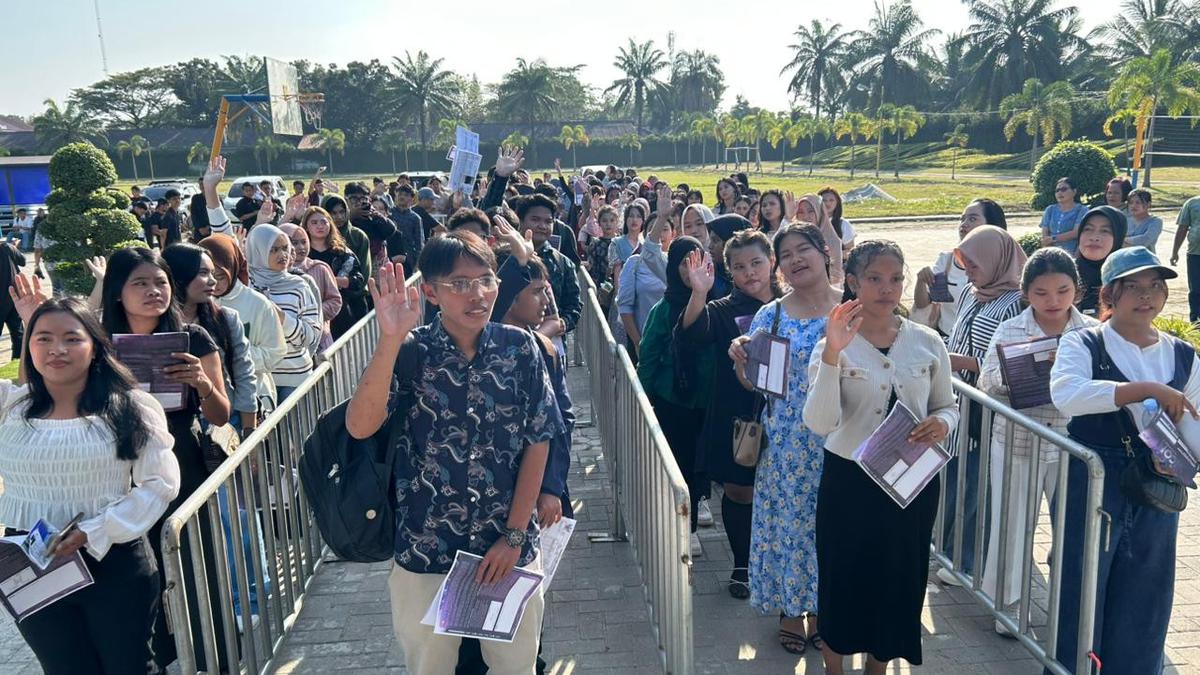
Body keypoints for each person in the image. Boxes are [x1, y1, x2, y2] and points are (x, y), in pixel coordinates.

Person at [344, 235, 563, 675]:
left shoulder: (521, 349)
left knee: (515, 666)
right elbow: (360, 425)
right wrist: (390, 338)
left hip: (505, 546)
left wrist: (515, 536)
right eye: (459, 284)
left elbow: (539, 441)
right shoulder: (409, 352)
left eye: (485, 280)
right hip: (426, 548)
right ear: (431, 292)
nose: (477, 294)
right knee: (430, 666)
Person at [0, 289, 179, 675]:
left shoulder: (130, 408)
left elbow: (159, 484)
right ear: (27, 346)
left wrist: (95, 530)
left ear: (96, 348)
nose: (56, 349)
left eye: (72, 339)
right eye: (43, 338)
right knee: (64, 667)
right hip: (31, 562)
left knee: (128, 666)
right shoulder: (10, 407)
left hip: (112, 560)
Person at [804, 241, 958, 673]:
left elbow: (947, 404)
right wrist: (834, 353)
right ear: (852, 282)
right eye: (874, 278)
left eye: (895, 278)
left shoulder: (926, 342)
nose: (886, 288)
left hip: (911, 482)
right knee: (843, 578)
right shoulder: (833, 342)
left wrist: (943, 424)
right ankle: (835, 668)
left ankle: (878, 666)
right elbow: (820, 421)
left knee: (898, 579)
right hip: (850, 482)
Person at [1049, 246, 1197, 674]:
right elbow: (1068, 395)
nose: (1146, 295)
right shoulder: (1084, 341)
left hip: (1158, 478)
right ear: (1110, 294)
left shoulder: (1183, 355)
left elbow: (1195, 421)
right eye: (1132, 286)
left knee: (1147, 589)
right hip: (1094, 476)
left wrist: (1186, 460)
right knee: (1082, 584)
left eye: (1155, 286)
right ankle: (1071, 668)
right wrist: (1146, 389)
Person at [99, 246, 232, 671]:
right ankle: (160, 657)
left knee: (198, 568)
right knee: (140, 576)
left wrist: (202, 384)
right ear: (117, 292)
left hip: (183, 464)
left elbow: (221, 413)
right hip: (119, 472)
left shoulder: (193, 338)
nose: (153, 291)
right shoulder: (99, 344)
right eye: (139, 283)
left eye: (160, 282)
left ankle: (219, 657)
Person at [729, 224, 841, 655]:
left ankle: (826, 608)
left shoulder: (851, 310)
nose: (796, 259)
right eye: (787, 254)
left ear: (824, 253)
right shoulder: (771, 315)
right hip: (788, 445)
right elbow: (756, 384)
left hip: (840, 443)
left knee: (829, 530)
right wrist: (741, 359)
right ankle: (793, 610)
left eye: (804, 250)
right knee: (792, 529)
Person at [976, 247, 1095, 636]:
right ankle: (1008, 607)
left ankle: (1075, 605)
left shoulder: (1091, 332)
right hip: (1017, 441)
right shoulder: (1011, 329)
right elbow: (986, 382)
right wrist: (1015, 377)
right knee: (1011, 524)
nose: (1053, 301)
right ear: (1026, 293)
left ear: (1076, 290)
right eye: (1042, 293)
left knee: (1076, 526)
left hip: (1072, 446)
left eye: (1062, 291)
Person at [678, 227, 779, 598]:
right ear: (729, 273)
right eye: (739, 267)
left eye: (756, 263)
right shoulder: (723, 311)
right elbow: (690, 334)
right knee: (739, 491)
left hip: (788, 415)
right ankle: (743, 564)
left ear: (772, 262)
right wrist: (699, 293)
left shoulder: (793, 303)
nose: (750, 273)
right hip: (738, 416)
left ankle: (776, 562)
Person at [939, 225, 1027, 585]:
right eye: (966, 264)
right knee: (956, 479)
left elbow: (1012, 363)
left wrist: (962, 362)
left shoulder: (1017, 303)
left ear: (997, 259)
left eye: (974, 264)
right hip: (957, 403)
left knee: (979, 487)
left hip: (987, 410)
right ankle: (947, 551)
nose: (970, 271)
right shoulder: (972, 294)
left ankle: (968, 561)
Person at [636, 237, 715, 556]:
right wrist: (643, 400)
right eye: (683, 262)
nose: (689, 269)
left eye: (695, 261)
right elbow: (649, 355)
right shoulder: (664, 309)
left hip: (709, 400)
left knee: (702, 463)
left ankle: (697, 506)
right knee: (681, 463)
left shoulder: (717, 302)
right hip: (674, 401)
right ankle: (687, 528)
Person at [198, 234, 287, 415]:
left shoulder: (258, 304)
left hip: (254, 397)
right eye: (205, 275)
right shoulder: (195, 303)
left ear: (232, 268)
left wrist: (234, 354)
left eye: (220, 276)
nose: (213, 283)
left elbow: (275, 352)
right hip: (209, 401)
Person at [245, 224, 322, 402]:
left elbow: (311, 336)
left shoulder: (299, 285)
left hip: (294, 379)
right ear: (258, 251)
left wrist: (282, 318)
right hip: (258, 379)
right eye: (274, 250)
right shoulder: (247, 286)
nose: (283, 255)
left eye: (285, 248)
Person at [912, 199, 1007, 338]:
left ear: (992, 225)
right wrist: (921, 281)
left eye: (972, 218)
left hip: (986, 343)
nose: (964, 224)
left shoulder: (1007, 264)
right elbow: (922, 304)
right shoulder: (946, 260)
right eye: (962, 219)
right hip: (948, 338)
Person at [516, 194, 581, 336]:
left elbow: (574, 304)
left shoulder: (563, 263)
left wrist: (564, 322)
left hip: (552, 344)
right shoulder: (506, 257)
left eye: (548, 221)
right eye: (535, 219)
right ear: (520, 220)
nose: (542, 226)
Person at [304, 205, 368, 338]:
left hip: (341, 311)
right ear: (306, 227)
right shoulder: (301, 255)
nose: (319, 226)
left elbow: (358, 280)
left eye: (323, 222)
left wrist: (334, 281)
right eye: (314, 223)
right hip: (309, 313)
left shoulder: (342, 252)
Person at [281, 223, 341, 351]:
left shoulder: (319, 268)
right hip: (287, 341)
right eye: (294, 243)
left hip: (321, 338)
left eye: (304, 242)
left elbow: (335, 300)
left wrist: (314, 313)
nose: (300, 247)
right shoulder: (275, 272)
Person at [1075, 205, 1127, 317]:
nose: (1094, 237)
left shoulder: (1127, 282)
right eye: (1088, 229)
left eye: (1105, 231)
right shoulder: (1063, 274)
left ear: (1118, 238)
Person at [345, 181, 397, 281]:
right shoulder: (342, 217)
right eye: (354, 199)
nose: (359, 202)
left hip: (377, 270)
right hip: (353, 269)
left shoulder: (373, 218)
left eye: (363, 199)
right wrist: (351, 216)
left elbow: (391, 230)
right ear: (346, 199)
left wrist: (376, 214)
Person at [1171, 191, 1200, 321]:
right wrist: (1175, 251)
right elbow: (1182, 228)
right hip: (1195, 254)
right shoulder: (1192, 203)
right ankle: (1196, 322)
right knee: (1195, 290)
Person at [1040, 177, 1089, 254]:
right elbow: (1045, 235)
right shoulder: (1050, 210)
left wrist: (1053, 238)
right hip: (1051, 253)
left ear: (1074, 191)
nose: (1059, 193)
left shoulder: (1082, 210)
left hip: (1073, 254)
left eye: (1063, 189)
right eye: (1057, 190)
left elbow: (1077, 232)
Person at [388, 183, 425, 267]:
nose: (402, 197)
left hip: (409, 259)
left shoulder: (415, 218)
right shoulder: (388, 214)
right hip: (391, 256)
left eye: (406, 195)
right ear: (395, 196)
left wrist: (418, 263)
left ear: (412, 199)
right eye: (400, 194)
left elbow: (419, 242)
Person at [0, 240, 26, 358]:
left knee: (18, 332)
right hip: (13, 296)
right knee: (17, 332)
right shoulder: (7, 247)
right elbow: (23, 261)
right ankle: (18, 359)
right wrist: (14, 248)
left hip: (10, 296)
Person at [818, 187, 856, 255]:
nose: (827, 203)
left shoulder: (843, 224)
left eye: (831, 200)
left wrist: (833, 256)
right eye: (824, 200)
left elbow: (850, 251)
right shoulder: (811, 222)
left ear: (837, 202)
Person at [1125, 188, 1162, 254]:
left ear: (1148, 204)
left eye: (1138, 202)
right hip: (1124, 259)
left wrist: (1124, 240)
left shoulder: (1156, 221)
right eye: (1131, 203)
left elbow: (1145, 240)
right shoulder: (1125, 220)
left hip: (1146, 260)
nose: (1133, 206)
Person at [189, 177, 212, 242]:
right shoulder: (196, 198)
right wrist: (200, 228)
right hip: (199, 231)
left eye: (203, 184)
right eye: (200, 184)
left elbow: (219, 215)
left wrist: (208, 227)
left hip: (213, 229)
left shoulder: (216, 198)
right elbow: (194, 215)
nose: (202, 186)